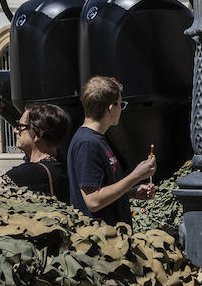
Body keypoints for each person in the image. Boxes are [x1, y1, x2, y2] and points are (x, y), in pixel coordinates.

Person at [66, 76, 156, 225]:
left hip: (111, 241)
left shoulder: (95, 139)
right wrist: (136, 175)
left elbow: (101, 190)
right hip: (101, 242)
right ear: (111, 108)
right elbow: (93, 201)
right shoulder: (88, 143)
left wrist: (131, 192)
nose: (121, 109)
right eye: (121, 104)